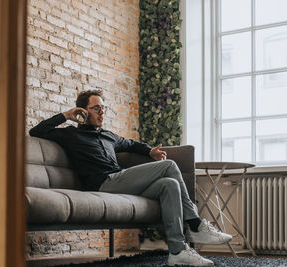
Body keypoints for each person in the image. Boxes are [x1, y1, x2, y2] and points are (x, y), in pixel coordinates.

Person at [29, 90, 231, 266]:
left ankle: (177, 252)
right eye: (96, 108)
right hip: (103, 184)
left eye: (103, 108)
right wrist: (65, 115)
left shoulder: (109, 136)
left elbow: (131, 144)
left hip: (121, 181)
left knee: (169, 185)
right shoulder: (70, 135)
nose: (102, 112)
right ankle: (195, 224)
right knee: (169, 165)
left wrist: (150, 151)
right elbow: (36, 131)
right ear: (83, 111)